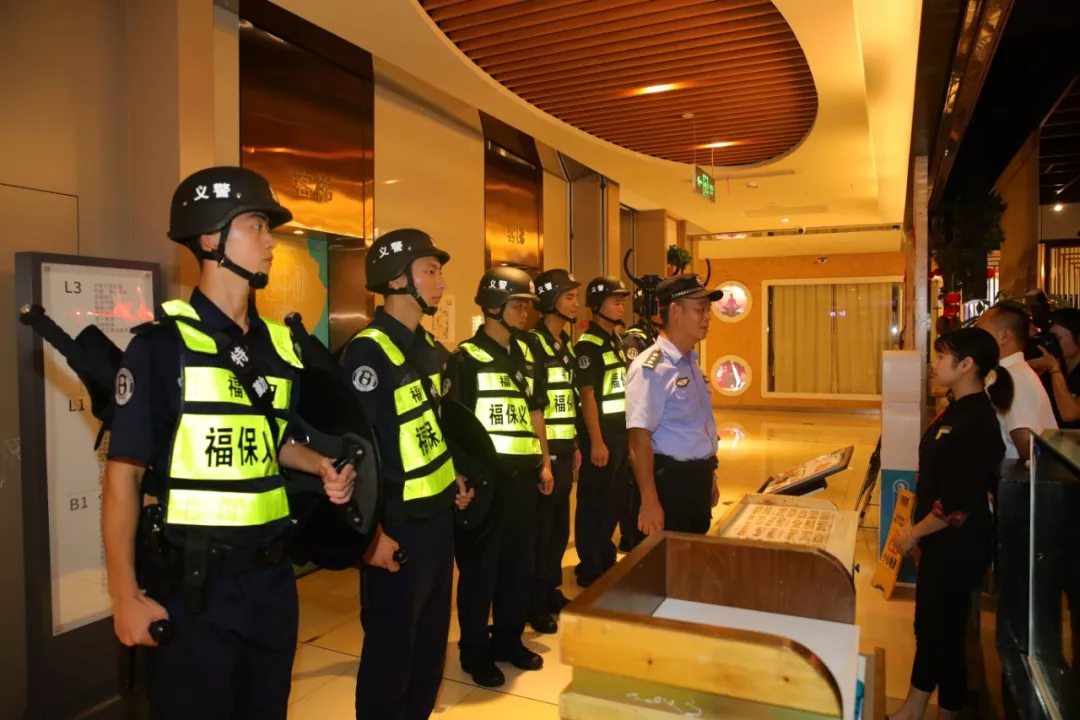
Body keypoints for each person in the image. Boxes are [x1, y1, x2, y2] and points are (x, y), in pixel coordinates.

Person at [103, 167, 356, 719]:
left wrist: (319, 465)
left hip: (272, 582)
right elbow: (123, 477)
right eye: (256, 226)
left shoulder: (276, 348)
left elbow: (272, 438)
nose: (270, 242)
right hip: (195, 590)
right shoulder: (161, 348)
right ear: (210, 237)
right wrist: (124, 594)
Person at [340, 229, 474, 720]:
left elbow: (428, 427)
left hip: (437, 521)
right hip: (396, 529)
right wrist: (370, 534)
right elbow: (355, 452)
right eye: (430, 271)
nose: (440, 282)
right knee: (391, 653)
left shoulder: (428, 348)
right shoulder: (367, 353)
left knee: (430, 647)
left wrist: (453, 476)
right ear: (396, 279)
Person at [889, 327, 1011, 720]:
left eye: (942, 356)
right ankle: (914, 707)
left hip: (957, 545)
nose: (935, 363)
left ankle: (947, 711)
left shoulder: (977, 421)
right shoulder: (956, 408)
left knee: (945, 632)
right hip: (939, 543)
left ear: (966, 365)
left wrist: (913, 534)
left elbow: (957, 504)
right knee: (930, 627)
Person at [444, 266, 554, 688]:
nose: (525, 314)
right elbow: (455, 426)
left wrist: (545, 462)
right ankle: (474, 650)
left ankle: (509, 639)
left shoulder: (527, 353)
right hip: (487, 484)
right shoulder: (465, 358)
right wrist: (463, 477)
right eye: (517, 306)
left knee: (518, 565)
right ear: (493, 307)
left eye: (527, 306)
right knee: (480, 570)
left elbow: (536, 411)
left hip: (524, 478)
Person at [627, 274, 721, 536]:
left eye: (708, 311)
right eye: (700, 310)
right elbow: (638, 439)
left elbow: (697, 429)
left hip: (697, 479)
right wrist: (649, 500)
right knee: (666, 560)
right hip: (670, 485)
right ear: (675, 312)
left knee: (692, 555)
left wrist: (710, 478)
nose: (707, 318)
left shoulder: (690, 362)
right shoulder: (653, 368)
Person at [525, 269, 582, 634]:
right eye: (569, 296)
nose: (576, 303)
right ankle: (533, 601)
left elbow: (569, 399)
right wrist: (544, 460)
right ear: (550, 301)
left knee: (559, 528)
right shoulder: (534, 344)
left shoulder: (564, 343)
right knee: (541, 531)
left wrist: (574, 444)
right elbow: (536, 408)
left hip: (564, 447)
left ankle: (550, 590)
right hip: (546, 453)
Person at [573, 276, 632, 587]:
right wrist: (596, 441)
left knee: (614, 498)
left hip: (619, 433)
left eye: (622, 301)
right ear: (597, 306)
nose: (621, 307)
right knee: (594, 500)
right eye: (615, 301)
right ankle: (590, 564)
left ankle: (605, 554)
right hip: (602, 435)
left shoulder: (615, 341)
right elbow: (587, 396)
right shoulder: (588, 345)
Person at [975, 304, 1057, 461]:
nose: (976, 338)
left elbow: (1027, 446)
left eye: (980, 331)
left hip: (1015, 474)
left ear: (1004, 337)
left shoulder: (1014, 377)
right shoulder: (1007, 372)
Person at [618, 288, 662, 552]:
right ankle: (631, 535)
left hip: (654, 422)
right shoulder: (633, 340)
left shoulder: (656, 337)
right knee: (633, 482)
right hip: (637, 421)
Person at [1027, 307, 1080, 429]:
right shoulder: (1054, 369)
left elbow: (1070, 414)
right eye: (1049, 338)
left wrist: (1054, 369)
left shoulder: (1054, 369)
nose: (1052, 343)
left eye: (1058, 338)